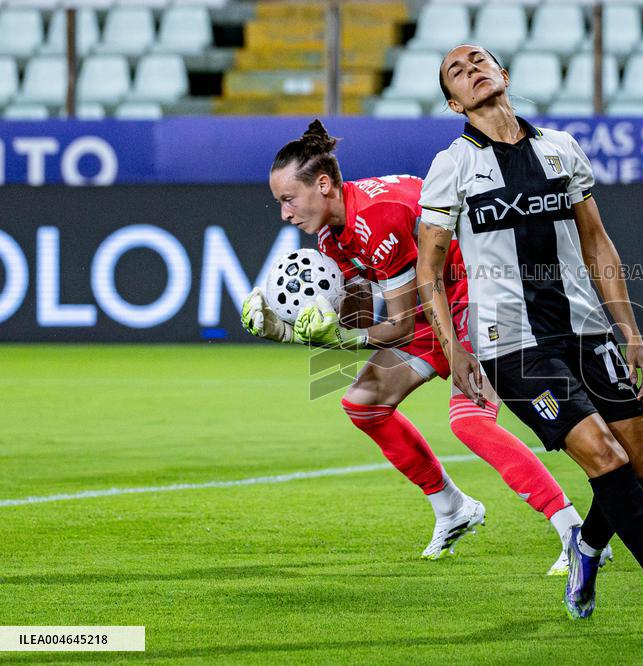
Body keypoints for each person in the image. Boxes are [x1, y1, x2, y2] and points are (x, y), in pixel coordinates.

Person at [415, 45, 643, 636]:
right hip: (513, 348)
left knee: (637, 466)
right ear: (454, 102)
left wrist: (628, 329)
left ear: (504, 76)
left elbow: (597, 243)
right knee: (606, 458)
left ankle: (586, 549)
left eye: (480, 61)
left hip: (585, 329)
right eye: (457, 70)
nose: (472, 69)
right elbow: (429, 269)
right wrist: (455, 352)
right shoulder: (451, 166)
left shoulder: (560, 148)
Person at [241, 119, 608, 573]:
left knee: (470, 423)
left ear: (323, 184)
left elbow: (392, 328)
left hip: (481, 295)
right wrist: (291, 325)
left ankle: (576, 531)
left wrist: (327, 335)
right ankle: (453, 508)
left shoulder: (379, 216)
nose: (284, 213)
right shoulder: (332, 237)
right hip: (435, 307)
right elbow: (356, 324)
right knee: (364, 403)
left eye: (288, 199)